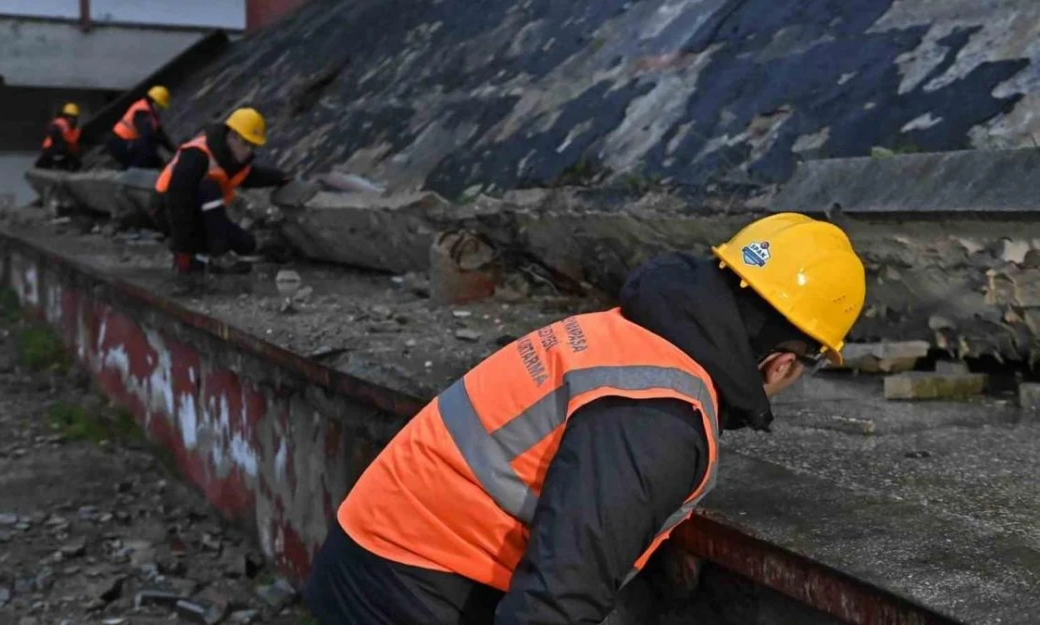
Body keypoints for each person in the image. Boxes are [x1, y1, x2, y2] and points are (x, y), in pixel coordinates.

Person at [305, 213, 867, 624]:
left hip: (387, 557)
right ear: (784, 361)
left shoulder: (631, 334)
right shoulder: (659, 418)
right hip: (408, 588)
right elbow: (556, 598)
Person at [153, 107, 292, 274]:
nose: (248, 150)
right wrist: (183, 249)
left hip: (199, 212)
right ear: (231, 136)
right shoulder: (197, 156)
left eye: (253, 146)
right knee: (209, 189)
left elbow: (250, 176)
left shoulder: (231, 157)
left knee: (245, 243)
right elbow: (177, 203)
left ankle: (212, 252)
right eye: (245, 143)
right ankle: (215, 256)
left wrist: (281, 178)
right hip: (166, 209)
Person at [106, 85, 175, 170]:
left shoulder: (150, 114)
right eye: (161, 107)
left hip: (124, 142)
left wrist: (174, 150)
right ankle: (131, 171)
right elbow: (147, 135)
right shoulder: (142, 113)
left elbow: (160, 135)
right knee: (147, 150)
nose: (161, 110)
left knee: (150, 150)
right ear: (154, 103)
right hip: (118, 143)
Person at [35, 102, 82, 171]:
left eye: (74, 117)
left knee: (76, 162)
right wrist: (61, 140)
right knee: (60, 149)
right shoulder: (59, 124)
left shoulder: (75, 130)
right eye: (70, 116)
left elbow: (74, 143)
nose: (72, 119)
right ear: (65, 116)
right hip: (51, 149)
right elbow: (52, 131)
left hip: (66, 151)